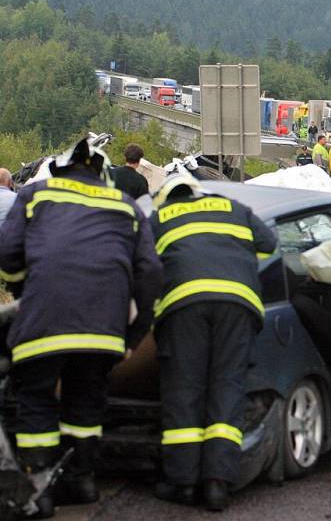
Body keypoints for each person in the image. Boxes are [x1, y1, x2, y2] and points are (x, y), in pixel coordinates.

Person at [0, 137, 162, 518]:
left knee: (36, 400)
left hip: (44, 322)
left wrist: (26, 289)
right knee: (85, 402)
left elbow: (7, 258)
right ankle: (83, 481)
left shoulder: (36, 194)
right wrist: (134, 335)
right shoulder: (124, 206)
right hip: (103, 330)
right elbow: (151, 273)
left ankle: (38, 492)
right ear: (103, 175)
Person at [149, 174, 276, 512]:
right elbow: (270, 243)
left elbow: (142, 265)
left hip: (184, 305)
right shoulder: (234, 208)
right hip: (238, 305)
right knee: (227, 388)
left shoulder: (160, 217)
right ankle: (218, 485)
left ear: (166, 199)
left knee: (184, 389)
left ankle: (182, 483)